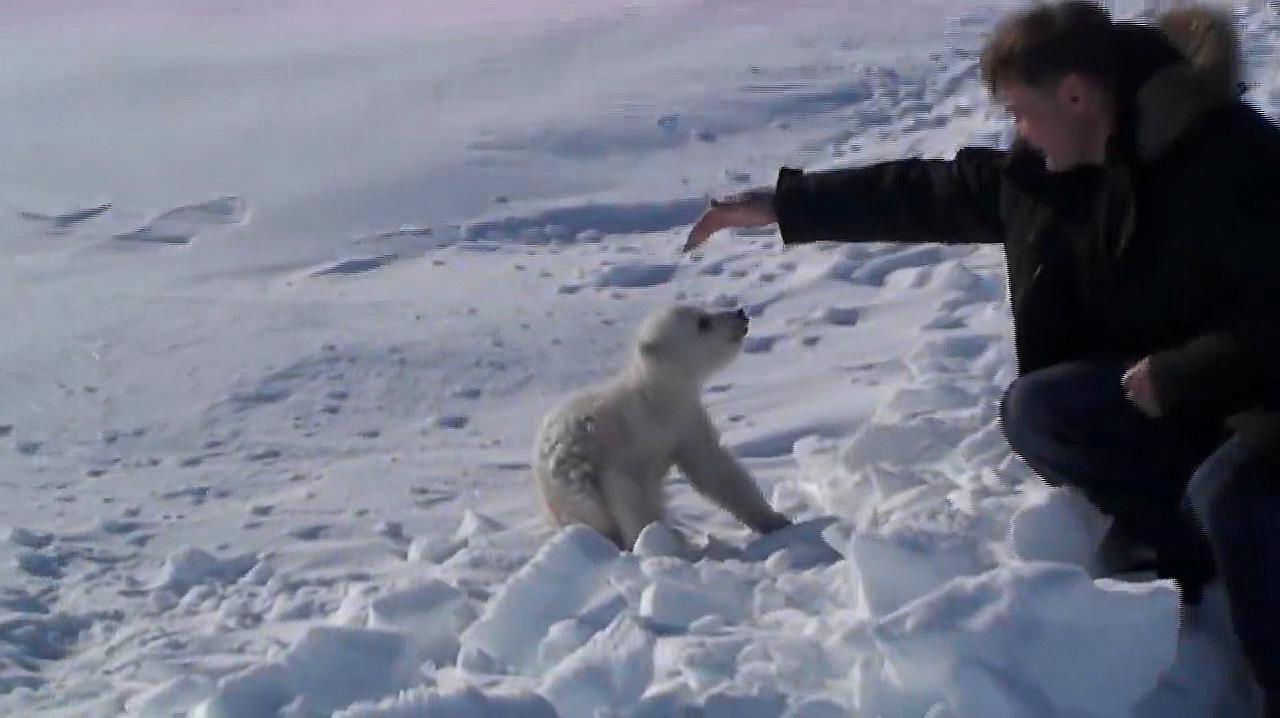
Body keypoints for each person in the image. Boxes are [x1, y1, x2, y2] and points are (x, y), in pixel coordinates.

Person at [683, 1, 1280, 711]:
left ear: (1076, 95)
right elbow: (925, 193)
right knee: (1042, 410)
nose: (1015, 131)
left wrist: (1185, 372)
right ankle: (1189, 559)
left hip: (1262, 394)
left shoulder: (1226, 156)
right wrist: (787, 205)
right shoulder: (1050, 173)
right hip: (1187, 394)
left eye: (1021, 111)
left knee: (1233, 495)